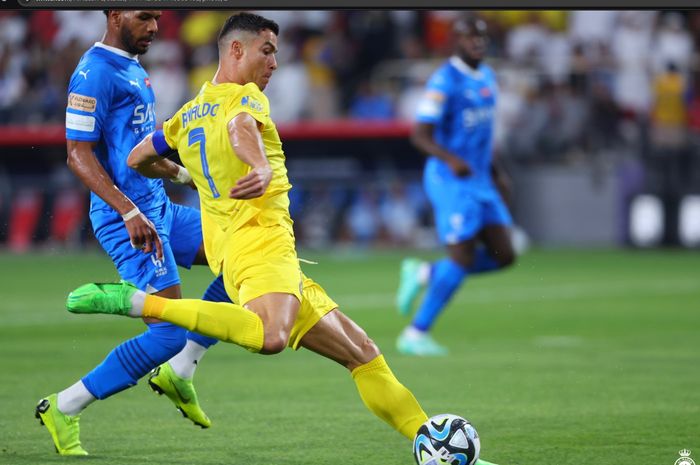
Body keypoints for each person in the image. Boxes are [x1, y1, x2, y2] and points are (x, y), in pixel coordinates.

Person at [65, 13, 498, 465]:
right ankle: (138, 304)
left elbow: (138, 156)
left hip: (253, 254)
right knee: (272, 338)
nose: (274, 62)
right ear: (236, 50)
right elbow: (241, 131)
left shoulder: (189, 112)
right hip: (262, 248)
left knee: (362, 353)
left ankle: (429, 445)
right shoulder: (245, 100)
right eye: (266, 50)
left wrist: (183, 172)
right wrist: (261, 167)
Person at [35, 10, 231, 456]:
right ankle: (64, 406)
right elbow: (77, 156)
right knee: (166, 334)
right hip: (129, 220)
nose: (155, 27)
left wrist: (186, 176)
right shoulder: (93, 74)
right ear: (114, 14)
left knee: (240, 253)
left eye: (157, 17)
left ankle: (180, 371)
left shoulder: (132, 66)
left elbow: (136, 152)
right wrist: (126, 211)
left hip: (159, 207)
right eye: (144, 17)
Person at [395, 16, 517, 356]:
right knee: (461, 256)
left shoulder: (489, 77)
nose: (477, 42)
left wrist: (496, 171)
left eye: (482, 36)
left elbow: (481, 134)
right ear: (456, 41)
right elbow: (420, 135)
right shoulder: (443, 82)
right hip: (451, 180)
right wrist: (450, 159)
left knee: (504, 255)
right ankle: (415, 333)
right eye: (469, 37)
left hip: (480, 178)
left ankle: (425, 272)